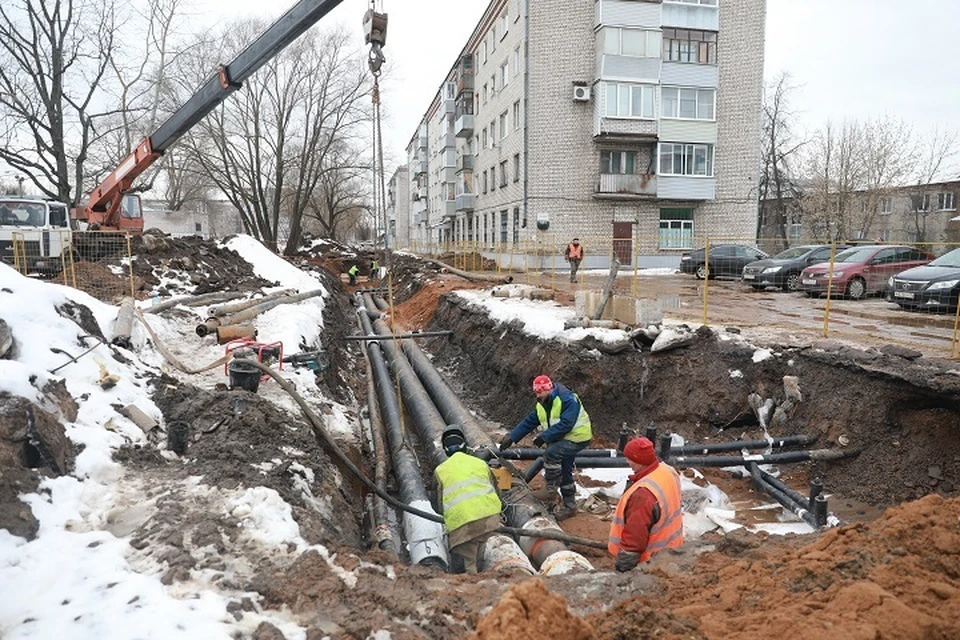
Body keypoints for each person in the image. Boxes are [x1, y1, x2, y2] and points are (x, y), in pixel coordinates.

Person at [498, 375, 592, 520]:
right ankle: (570, 507)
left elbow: (567, 423)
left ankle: (550, 490)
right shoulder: (543, 403)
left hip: (577, 437)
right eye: (536, 393)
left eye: (540, 392)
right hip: (562, 438)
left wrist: (545, 436)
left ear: (549, 389)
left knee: (551, 454)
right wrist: (512, 437)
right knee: (565, 469)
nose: (538, 396)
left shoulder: (566, 399)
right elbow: (530, 421)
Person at [434, 425, 503, 573]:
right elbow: (497, 492)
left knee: (468, 567)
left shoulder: (440, 470)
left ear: (445, 451)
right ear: (466, 446)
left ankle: (472, 584)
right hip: (490, 522)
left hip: (463, 528)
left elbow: (439, 505)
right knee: (481, 549)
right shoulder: (481, 463)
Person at [608, 437, 684, 572]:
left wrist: (622, 569)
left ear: (640, 461)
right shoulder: (667, 471)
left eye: (630, 458)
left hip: (651, 562)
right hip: (673, 549)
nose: (627, 461)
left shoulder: (643, 495)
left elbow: (634, 540)